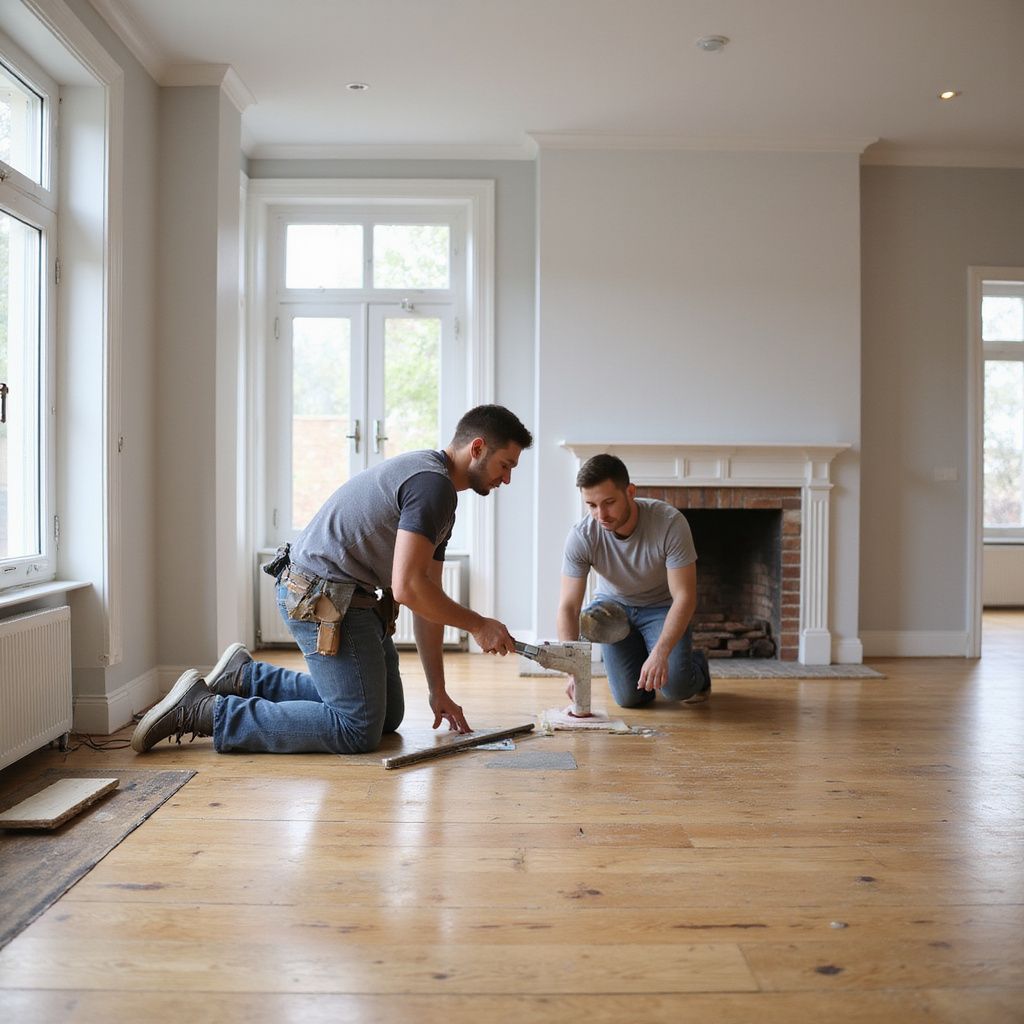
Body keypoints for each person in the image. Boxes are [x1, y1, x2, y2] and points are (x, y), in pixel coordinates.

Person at [132, 405, 533, 755]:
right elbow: (409, 589)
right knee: (357, 728)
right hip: (321, 596)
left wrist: (438, 691)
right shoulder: (433, 488)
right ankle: (206, 711)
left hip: (349, 595)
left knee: (388, 716)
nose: (507, 480)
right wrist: (478, 625)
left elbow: (425, 599)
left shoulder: (439, 492)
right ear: (477, 448)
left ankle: (245, 677)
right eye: (506, 465)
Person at [557, 453, 710, 708]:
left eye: (609, 502)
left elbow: (685, 597)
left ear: (630, 491)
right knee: (630, 699)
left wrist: (661, 654)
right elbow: (568, 607)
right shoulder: (582, 535)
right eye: (592, 505)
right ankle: (644, 668)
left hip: (661, 607)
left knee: (676, 688)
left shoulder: (670, 524)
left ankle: (697, 666)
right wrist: (572, 670)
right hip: (613, 610)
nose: (601, 514)